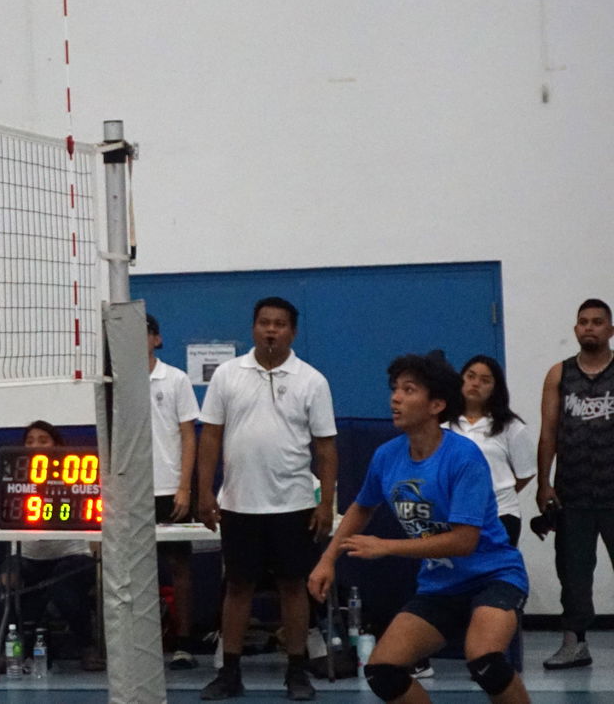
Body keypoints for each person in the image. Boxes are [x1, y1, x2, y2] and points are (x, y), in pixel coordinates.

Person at [309, 352, 531, 704]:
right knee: (383, 670)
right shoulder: (387, 456)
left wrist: (387, 546)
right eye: (394, 389)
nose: (395, 398)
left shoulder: (464, 457)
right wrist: (327, 560)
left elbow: (464, 541)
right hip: (441, 585)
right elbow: (361, 507)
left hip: (493, 577)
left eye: (408, 390)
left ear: (436, 405)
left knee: (485, 659)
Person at [196, 297, 337, 702]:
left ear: (292, 331)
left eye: (279, 324)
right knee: (237, 587)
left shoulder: (313, 380)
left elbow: (326, 448)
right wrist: (205, 491)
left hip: (293, 504)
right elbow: (210, 437)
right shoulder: (226, 375)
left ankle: (296, 671)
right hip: (239, 504)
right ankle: (230, 672)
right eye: (263, 323)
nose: (271, 330)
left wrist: (325, 502)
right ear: (253, 328)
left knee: (295, 587)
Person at [535, 298, 614, 671]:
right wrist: (543, 484)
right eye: (583, 322)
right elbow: (548, 432)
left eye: (597, 322)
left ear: (610, 330)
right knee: (573, 573)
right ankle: (574, 644)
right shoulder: (559, 374)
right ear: (575, 330)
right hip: (573, 492)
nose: (589, 328)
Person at [4, 422, 100, 670]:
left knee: (63, 586)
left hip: (73, 557)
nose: (36, 445)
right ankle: (12, 651)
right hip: (28, 558)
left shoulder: (75, 478)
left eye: (43, 440)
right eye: (30, 441)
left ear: (57, 446)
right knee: (5, 584)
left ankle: (87, 647)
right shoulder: (11, 481)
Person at [146, 314, 200, 668]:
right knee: (137, 572)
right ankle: (144, 645)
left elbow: (188, 435)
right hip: (134, 492)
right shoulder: (115, 382)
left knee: (180, 568)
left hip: (170, 488)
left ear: (156, 339)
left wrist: (184, 487)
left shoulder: (176, 379)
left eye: (143, 334)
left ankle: (182, 643)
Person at [446, 355, 535, 546]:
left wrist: (493, 492)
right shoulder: (443, 424)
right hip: (453, 514)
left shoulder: (511, 426)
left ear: (495, 389)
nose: (475, 384)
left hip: (500, 514)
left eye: (485, 380)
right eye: (470, 376)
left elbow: (525, 473)